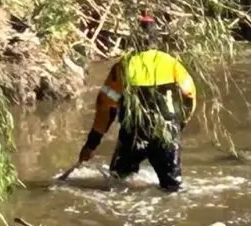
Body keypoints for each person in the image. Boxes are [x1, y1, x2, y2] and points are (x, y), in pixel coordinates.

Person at [76, 15, 197, 192]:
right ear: (157, 39)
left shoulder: (123, 66)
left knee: (118, 184)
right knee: (173, 189)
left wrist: (91, 145)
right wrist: (179, 125)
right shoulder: (173, 64)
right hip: (167, 133)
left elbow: (105, 107)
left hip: (134, 135)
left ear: (133, 40)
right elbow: (190, 96)